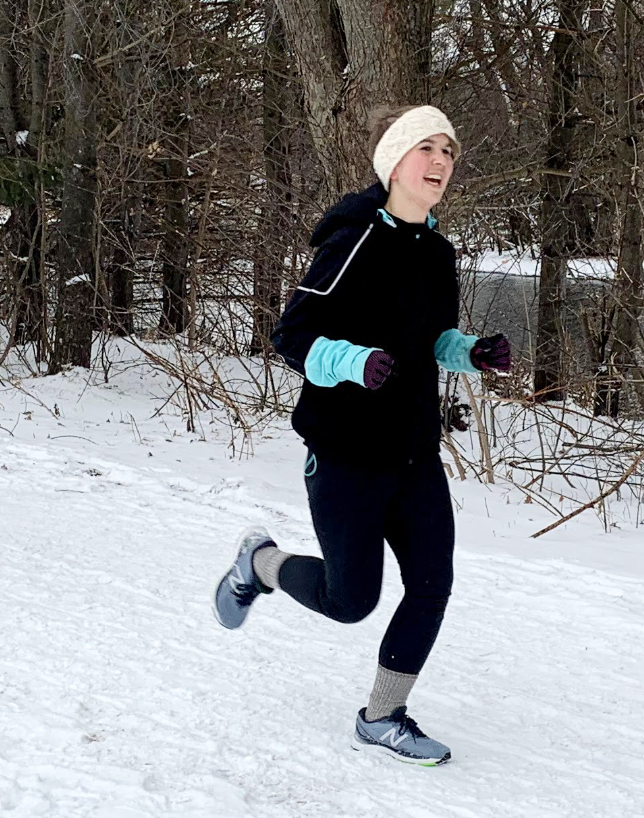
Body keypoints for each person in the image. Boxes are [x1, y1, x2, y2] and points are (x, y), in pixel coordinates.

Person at [213, 105, 512, 765]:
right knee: (352, 601)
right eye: (427, 148)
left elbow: (430, 339)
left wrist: (473, 353)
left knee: (432, 583)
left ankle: (382, 717)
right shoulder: (350, 244)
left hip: (412, 450)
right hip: (346, 452)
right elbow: (290, 337)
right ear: (395, 162)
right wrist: (353, 363)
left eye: (449, 152)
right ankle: (258, 564)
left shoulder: (438, 253)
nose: (440, 162)